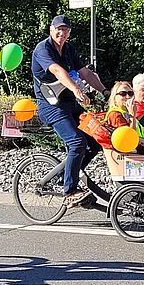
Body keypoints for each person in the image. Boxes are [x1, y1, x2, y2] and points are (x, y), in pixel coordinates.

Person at [32, 14, 107, 208]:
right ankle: (70, 190)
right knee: (77, 141)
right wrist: (75, 89)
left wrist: (105, 91)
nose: (61, 33)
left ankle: (69, 175)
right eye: (58, 29)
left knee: (95, 140)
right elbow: (57, 71)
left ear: (69, 33)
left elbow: (85, 73)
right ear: (51, 30)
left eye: (65, 30)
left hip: (69, 103)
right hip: (51, 107)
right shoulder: (43, 49)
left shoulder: (69, 49)